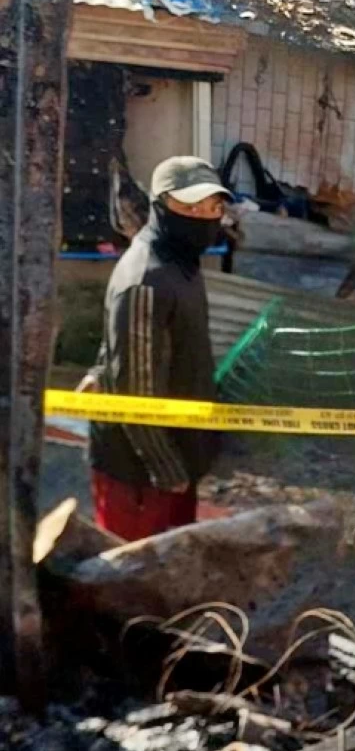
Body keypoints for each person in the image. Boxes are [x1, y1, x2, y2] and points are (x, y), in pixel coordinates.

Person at [85, 155, 230, 540]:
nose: (204, 215)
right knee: (132, 584)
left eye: (212, 206)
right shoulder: (147, 280)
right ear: (162, 206)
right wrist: (166, 469)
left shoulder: (180, 261)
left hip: (173, 456)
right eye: (190, 206)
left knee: (171, 572)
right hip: (141, 473)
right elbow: (136, 394)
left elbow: (126, 346)